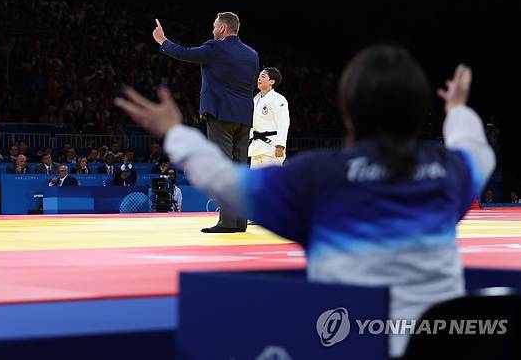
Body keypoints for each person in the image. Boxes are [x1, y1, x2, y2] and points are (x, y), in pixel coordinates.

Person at [115, 45, 495, 358]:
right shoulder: (450, 171)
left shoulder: (319, 177)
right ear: (418, 111)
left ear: (347, 111)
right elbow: (477, 150)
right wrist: (458, 109)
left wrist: (174, 132)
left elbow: (225, 181)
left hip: (349, 346)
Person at [152, 12, 259, 233]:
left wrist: (163, 41)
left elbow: (184, 53)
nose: (212, 30)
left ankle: (227, 223)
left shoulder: (215, 48)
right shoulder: (252, 54)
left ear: (222, 29)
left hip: (220, 115)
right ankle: (239, 222)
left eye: (214, 26)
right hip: (244, 117)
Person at [249, 67, 290, 168]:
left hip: (271, 147)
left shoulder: (278, 99)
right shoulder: (255, 99)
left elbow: (283, 123)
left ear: (271, 81)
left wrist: (280, 145)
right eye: (258, 77)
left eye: (263, 76)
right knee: (255, 182)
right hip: (256, 147)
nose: (259, 79)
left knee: (272, 182)